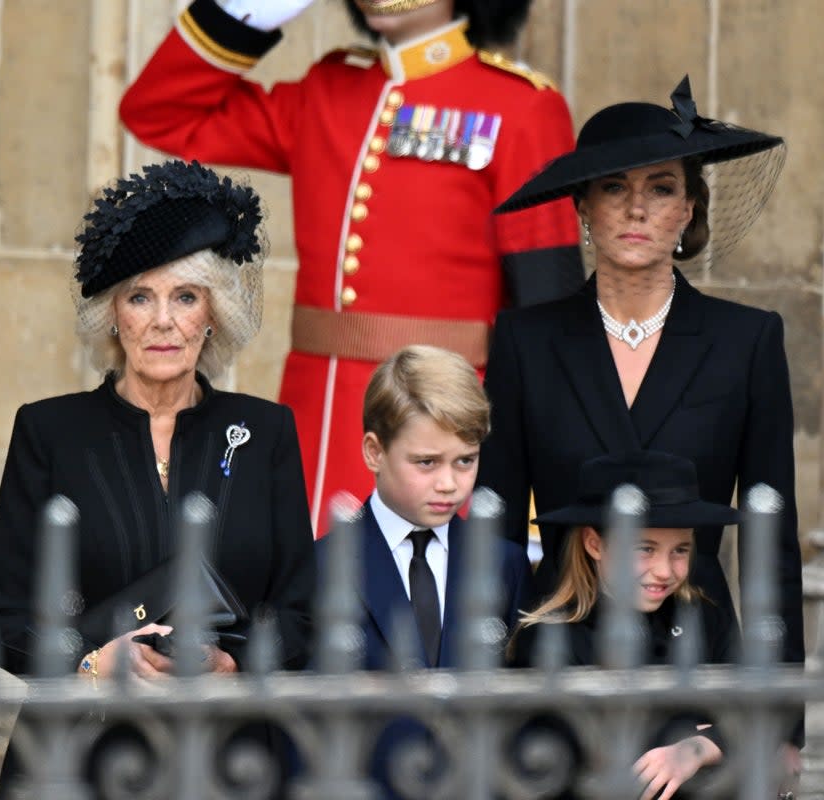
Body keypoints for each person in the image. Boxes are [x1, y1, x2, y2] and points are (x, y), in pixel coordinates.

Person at [119, 0, 583, 532]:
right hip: (313, 416)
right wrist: (243, 13)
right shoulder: (330, 86)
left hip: (435, 421)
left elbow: (546, 308)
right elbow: (157, 112)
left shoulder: (520, 105)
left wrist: (529, 480)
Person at [0, 159, 316, 796]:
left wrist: (235, 663)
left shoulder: (266, 432)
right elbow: (2, 618)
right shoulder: (50, 433)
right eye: (140, 297)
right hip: (79, 761)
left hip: (230, 761)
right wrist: (92, 662)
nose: (163, 321)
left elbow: (304, 612)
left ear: (213, 313)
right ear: (113, 315)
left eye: (185, 297)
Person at [477, 76, 803, 674]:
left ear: (687, 208)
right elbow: (492, 532)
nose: (636, 208)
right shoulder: (526, 341)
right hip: (553, 667)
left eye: (660, 188)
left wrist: (778, 714)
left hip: (699, 662)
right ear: (583, 205)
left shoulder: (746, 341)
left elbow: (769, 534)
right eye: (613, 187)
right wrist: (487, 688)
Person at [315, 344, 532, 797]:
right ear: (374, 451)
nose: (449, 484)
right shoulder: (319, 567)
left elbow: (520, 713)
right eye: (427, 462)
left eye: (465, 461)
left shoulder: (506, 565)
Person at [508, 451, 745, 800]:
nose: (665, 570)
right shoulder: (548, 637)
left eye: (680, 550)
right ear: (594, 543)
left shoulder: (706, 617)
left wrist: (695, 749)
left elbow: (757, 715)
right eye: (645, 548)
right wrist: (705, 732)